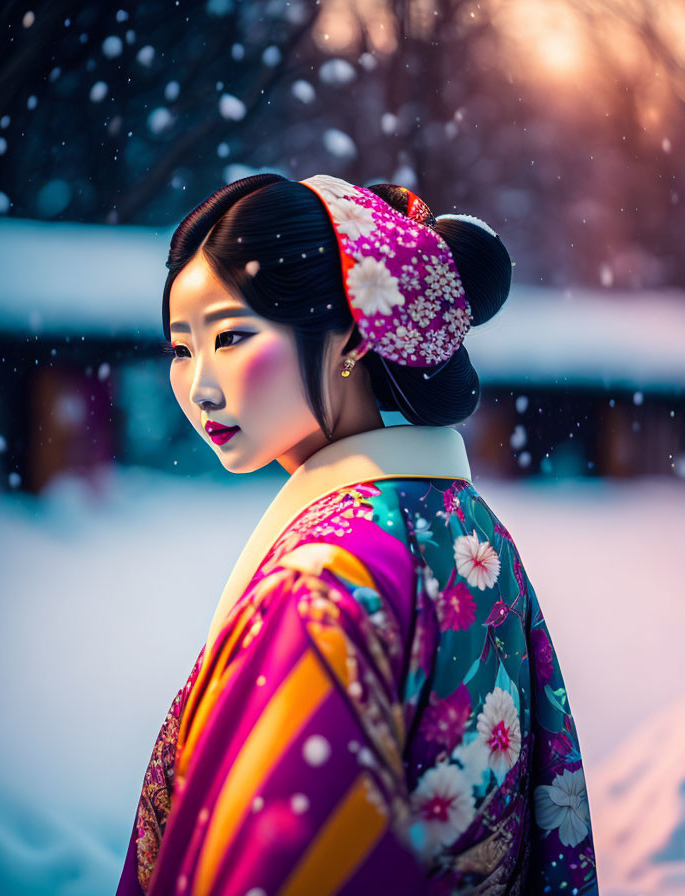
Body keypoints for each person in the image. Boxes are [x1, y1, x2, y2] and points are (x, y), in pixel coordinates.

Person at [116, 173, 599, 895]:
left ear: (346, 335)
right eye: (182, 350)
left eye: (233, 336)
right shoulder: (469, 528)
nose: (201, 387)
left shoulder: (323, 578)